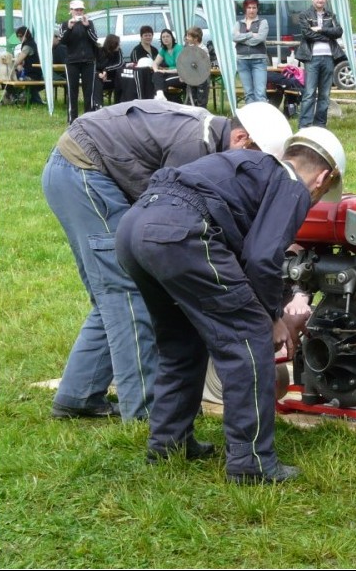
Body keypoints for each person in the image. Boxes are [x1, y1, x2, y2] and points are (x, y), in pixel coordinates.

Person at [114, 126, 346, 484]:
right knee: (248, 338)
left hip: (135, 228)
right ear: (323, 177)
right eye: (323, 193)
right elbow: (262, 258)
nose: (315, 199)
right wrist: (272, 317)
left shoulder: (251, 165)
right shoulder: (291, 185)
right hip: (181, 232)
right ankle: (252, 461)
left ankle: (168, 444)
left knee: (181, 341)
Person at [44, 101, 289, 423]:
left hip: (77, 170)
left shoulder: (208, 140)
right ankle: (148, 413)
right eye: (255, 157)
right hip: (84, 171)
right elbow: (169, 222)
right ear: (241, 138)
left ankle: (78, 395)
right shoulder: (193, 145)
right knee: (128, 291)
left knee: (114, 296)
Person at [295, 0, 343, 128]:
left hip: (329, 57)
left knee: (325, 94)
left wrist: (321, 29)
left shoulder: (331, 15)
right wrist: (328, 36)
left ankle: (320, 124)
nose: (320, 0)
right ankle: (305, 124)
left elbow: (339, 31)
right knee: (309, 92)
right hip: (311, 58)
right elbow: (307, 34)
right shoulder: (304, 14)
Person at [58, 0, 100, 123]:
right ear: (71, 11)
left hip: (88, 61)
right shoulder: (64, 24)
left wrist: (87, 27)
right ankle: (72, 119)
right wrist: (70, 28)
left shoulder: (90, 23)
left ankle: (89, 119)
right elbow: (63, 41)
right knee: (72, 91)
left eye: (81, 10)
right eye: (76, 10)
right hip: (72, 61)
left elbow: (95, 39)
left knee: (89, 92)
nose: (79, 12)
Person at [233, 0, 269, 105]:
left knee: (260, 93)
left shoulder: (263, 22)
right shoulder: (238, 23)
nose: (251, 10)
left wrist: (242, 37)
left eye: (254, 7)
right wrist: (250, 34)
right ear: (245, 8)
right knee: (248, 93)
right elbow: (233, 37)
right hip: (242, 60)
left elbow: (259, 39)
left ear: (257, 9)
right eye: (249, 8)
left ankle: (263, 119)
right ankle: (250, 120)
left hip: (259, 60)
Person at [7, 25, 42, 105]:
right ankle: (16, 97)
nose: (20, 38)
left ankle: (15, 98)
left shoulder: (28, 46)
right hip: (32, 72)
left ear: (26, 35)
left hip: (32, 75)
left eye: (21, 36)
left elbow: (18, 60)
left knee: (8, 78)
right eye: (18, 36)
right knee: (10, 78)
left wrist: (14, 64)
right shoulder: (30, 43)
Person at [153, 28, 184, 101]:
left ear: (172, 38)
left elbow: (179, 69)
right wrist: (156, 70)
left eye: (167, 36)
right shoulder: (163, 50)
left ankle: (165, 100)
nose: (165, 38)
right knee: (156, 75)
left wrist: (165, 71)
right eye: (163, 37)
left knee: (161, 83)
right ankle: (161, 96)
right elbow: (155, 63)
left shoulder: (178, 48)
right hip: (170, 74)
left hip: (180, 75)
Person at [128, 25, 158, 101]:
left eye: (150, 35)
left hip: (154, 74)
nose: (148, 37)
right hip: (142, 77)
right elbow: (135, 67)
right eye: (145, 35)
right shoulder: (136, 51)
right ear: (141, 36)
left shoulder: (155, 50)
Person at [183, 26, 210, 108]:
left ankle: (202, 115)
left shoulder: (203, 49)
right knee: (191, 97)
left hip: (202, 78)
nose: (187, 38)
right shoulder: (189, 47)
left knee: (201, 98)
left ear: (196, 38)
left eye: (189, 36)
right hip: (192, 77)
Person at [97, 34, 124, 105]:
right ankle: (98, 104)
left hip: (114, 78)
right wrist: (100, 73)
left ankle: (118, 103)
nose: (119, 46)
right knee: (96, 80)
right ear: (111, 44)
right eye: (117, 44)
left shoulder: (118, 52)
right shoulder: (100, 51)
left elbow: (120, 64)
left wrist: (106, 70)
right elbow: (96, 65)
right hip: (101, 77)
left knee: (120, 80)